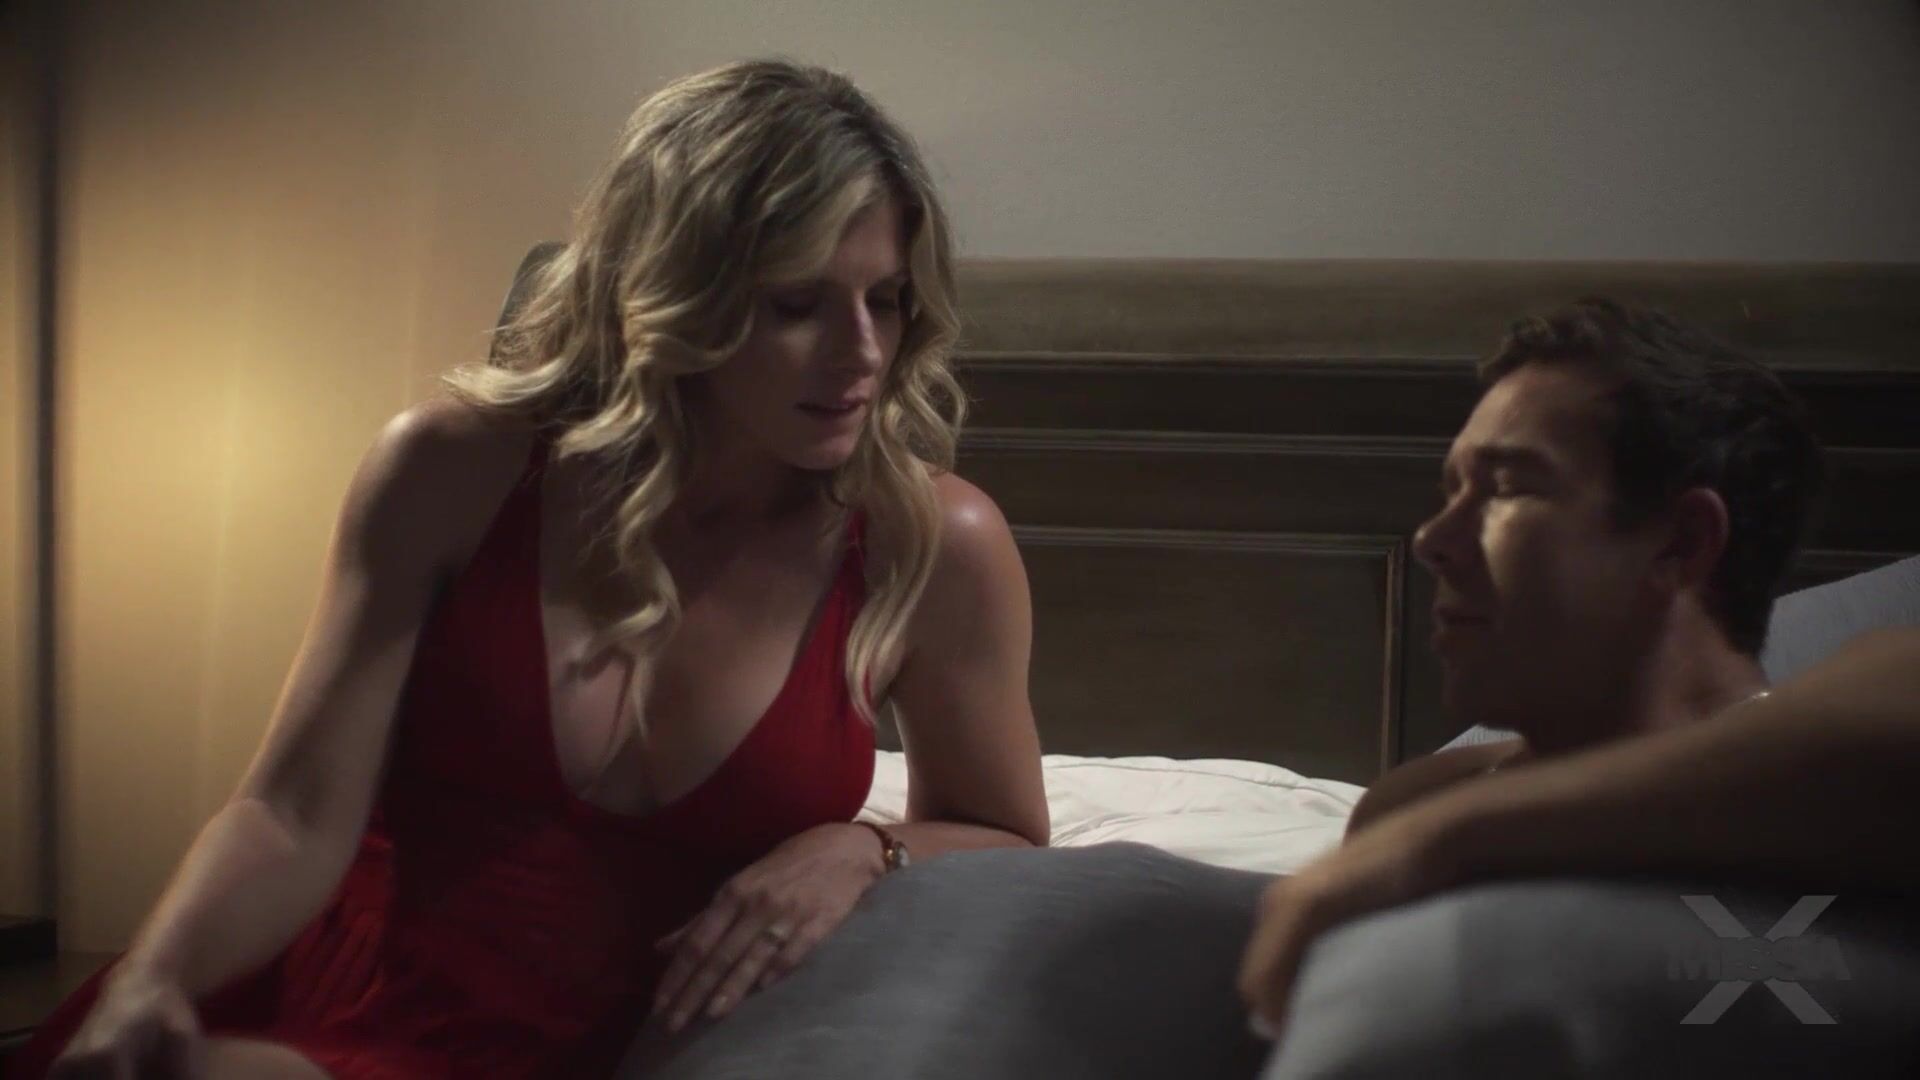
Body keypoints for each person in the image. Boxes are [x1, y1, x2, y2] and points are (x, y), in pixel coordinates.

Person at [20, 58, 1049, 1080]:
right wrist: (149, 979)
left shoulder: (931, 544)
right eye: (796, 305)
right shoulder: (453, 468)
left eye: (888, 300)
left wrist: (864, 849)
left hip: (621, 1048)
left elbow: (1003, 832)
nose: (861, 351)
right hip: (327, 1005)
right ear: (677, 294)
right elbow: (290, 814)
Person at [1238, 299, 1920, 1061]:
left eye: (1507, 488)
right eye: (1452, 491)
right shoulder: (1412, 801)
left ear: (1682, 542)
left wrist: (1450, 839)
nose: (1432, 539)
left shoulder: (1838, 789)